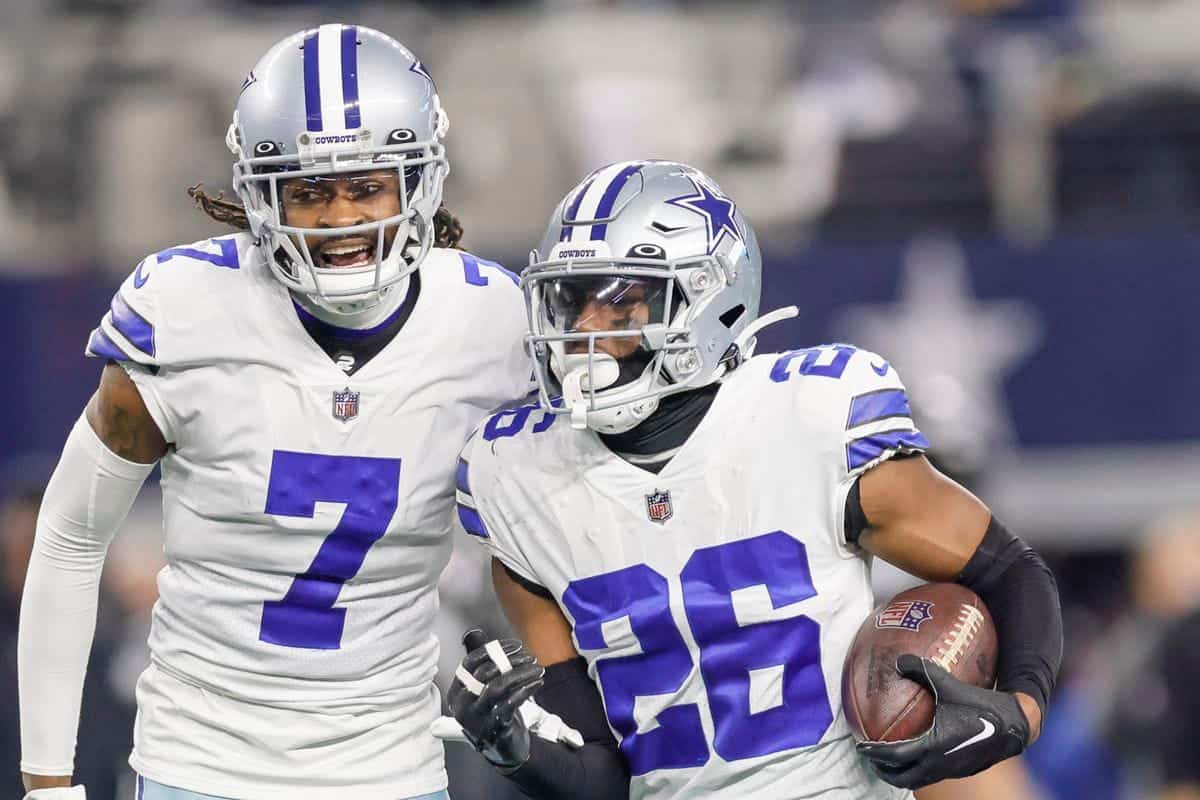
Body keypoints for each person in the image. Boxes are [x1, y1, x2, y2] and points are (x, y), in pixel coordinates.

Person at [438, 160, 1063, 798]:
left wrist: (1019, 712)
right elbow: (602, 776)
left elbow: (1010, 571)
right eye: (573, 301)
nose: (587, 329)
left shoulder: (809, 418)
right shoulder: (516, 479)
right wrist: (516, 752)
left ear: (711, 299)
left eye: (622, 299)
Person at [19, 24, 531, 800]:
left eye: (366, 186)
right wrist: (48, 783)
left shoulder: (494, 325)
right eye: (310, 190)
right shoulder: (186, 311)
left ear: (420, 181)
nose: (338, 219)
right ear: (260, 194)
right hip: (200, 763)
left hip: (391, 768)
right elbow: (69, 537)